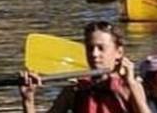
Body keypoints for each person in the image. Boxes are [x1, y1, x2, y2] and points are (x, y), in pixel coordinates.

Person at [20, 21, 149, 113]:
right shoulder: (74, 89)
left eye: (101, 48)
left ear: (119, 52)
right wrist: (28, 100)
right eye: (90, 48)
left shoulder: (131, 87)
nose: (94, 54)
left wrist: (131, 84)